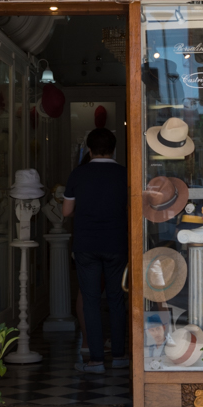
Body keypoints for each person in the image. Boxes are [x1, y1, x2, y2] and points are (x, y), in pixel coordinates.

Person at [62, 127, 128, 373]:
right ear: (113, 149)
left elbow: (66, 211)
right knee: (116, 298)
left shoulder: (78, 174)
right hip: (117, 242)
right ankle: (119, 355)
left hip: (86, 244)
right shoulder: (124, 174)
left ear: (89, 150)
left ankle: (96, 360)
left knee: (90, 301)